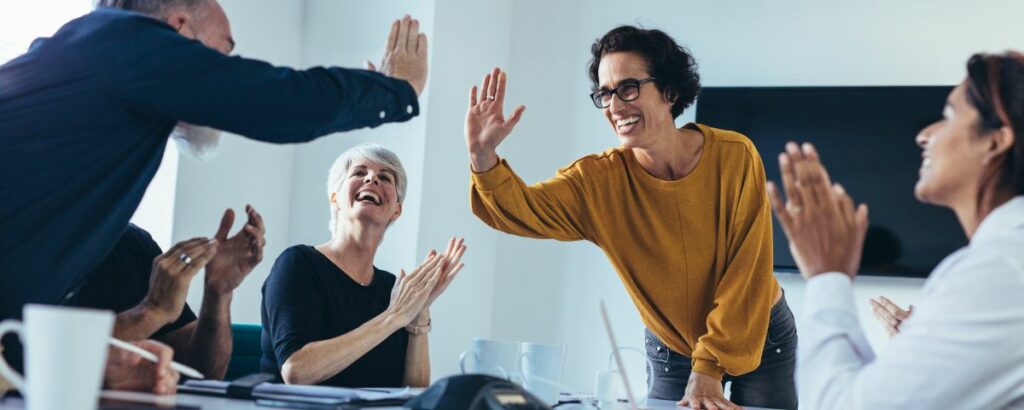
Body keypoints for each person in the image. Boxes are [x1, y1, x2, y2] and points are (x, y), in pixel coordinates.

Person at [0, 0, 428, 321]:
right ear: (178, 29)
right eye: (219, 57)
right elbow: (275, 99)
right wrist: (393, 88)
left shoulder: (83, 62)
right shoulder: (125, 40)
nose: (218, 74)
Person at [464, 26, 796, 409]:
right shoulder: (597, 181)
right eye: (605, 93)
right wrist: (482, 156)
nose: (614, 106)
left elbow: (747, 272)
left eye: (627, 87)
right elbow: (520, 210)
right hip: (671, 349)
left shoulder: (736, 156)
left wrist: (709, 366)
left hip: (760, 332)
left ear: (669, 91)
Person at [769, 52, 1024, 409]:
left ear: (994, 141)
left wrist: (827, 275)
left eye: (948, 116)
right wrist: (929, 343)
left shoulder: (997, 273)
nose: (924, 135)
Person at [261, 145, 466, 387]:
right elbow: (296, 371)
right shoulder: (298, 264)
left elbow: (414, 393)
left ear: (396, 211)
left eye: (384, 177)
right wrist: (394, 316)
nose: (371, 178)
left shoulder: (396, 289)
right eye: (359, 173)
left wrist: (419, 312)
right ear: (335, 198)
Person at [65, 204, 265, 380]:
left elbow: (202, 373)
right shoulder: (37, 243)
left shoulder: (130, 241)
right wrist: (152, 312)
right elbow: (52, 361)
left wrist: (218, 293)